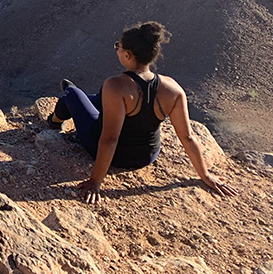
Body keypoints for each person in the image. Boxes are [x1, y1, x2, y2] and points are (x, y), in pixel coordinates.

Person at [48, 21, 237, 204]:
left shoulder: (115, 86)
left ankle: (54, 121)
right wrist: (205, 175)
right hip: (147, 155)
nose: (116, 50)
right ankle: (93, 99)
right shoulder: (174, 89)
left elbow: (110, 139)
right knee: (100, 98)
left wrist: (95, 182)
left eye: (118, 47)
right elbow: (187, 137)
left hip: (114, 154)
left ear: (128, 55)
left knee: (71, 94)